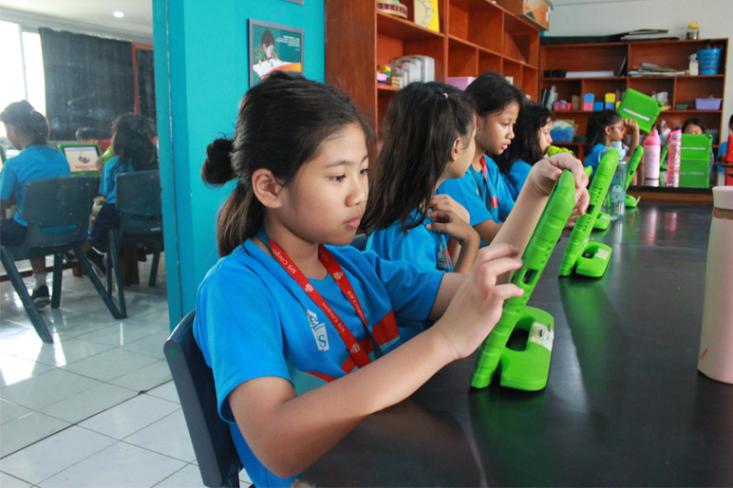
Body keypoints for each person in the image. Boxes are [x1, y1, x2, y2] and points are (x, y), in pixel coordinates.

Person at [194, 72, 589, 487]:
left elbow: (480, 291)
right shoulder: (236, 289)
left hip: (387, 457)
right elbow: (277, 444)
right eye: (337, 177)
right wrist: (445, 341)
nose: (358, 194)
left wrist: (535, 192)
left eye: (363, 172)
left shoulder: (352, 265)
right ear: (270, 188)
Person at [363, 82, 480, 273]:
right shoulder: (410, 232)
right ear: (456, 147)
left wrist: (460, 238)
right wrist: (471, 242)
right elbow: (449, 302)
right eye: (473, 137)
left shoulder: (416, 213)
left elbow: (443, 274)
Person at [436, 72, 525, 244]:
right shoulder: (454, 172)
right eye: (505, 124)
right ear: (475, 120)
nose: (512, 134)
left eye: (513, 125)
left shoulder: (489, 166)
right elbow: (489, 234)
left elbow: (513, 216)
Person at [0, 101, 71, 306]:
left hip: (32, 235)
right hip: (66, 231)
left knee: (23, 221)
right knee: (29, 216)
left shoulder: (14, 164)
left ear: (12, 130)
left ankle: (40, 286)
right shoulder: (59, 157)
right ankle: (41, 286)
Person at [86, 114, 158, 273]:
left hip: (123, 224)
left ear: (118, 138)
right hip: (153, 223)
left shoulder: (112, 164)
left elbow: (104, 192)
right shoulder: (155, 164)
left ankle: (97, 250)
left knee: (103, 211)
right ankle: (137, 248)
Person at [495, 102, 553, 198]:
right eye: (545, 132)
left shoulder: (521, 165)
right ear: (529, 136)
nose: (550, 140)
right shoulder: (523, 169)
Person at [584, 109, 640, 173]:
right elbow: (626, 164)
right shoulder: (601, 152)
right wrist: (635, 131)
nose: (624, 132)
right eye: (621, 128)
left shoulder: (601, 148)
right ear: (608, 130)